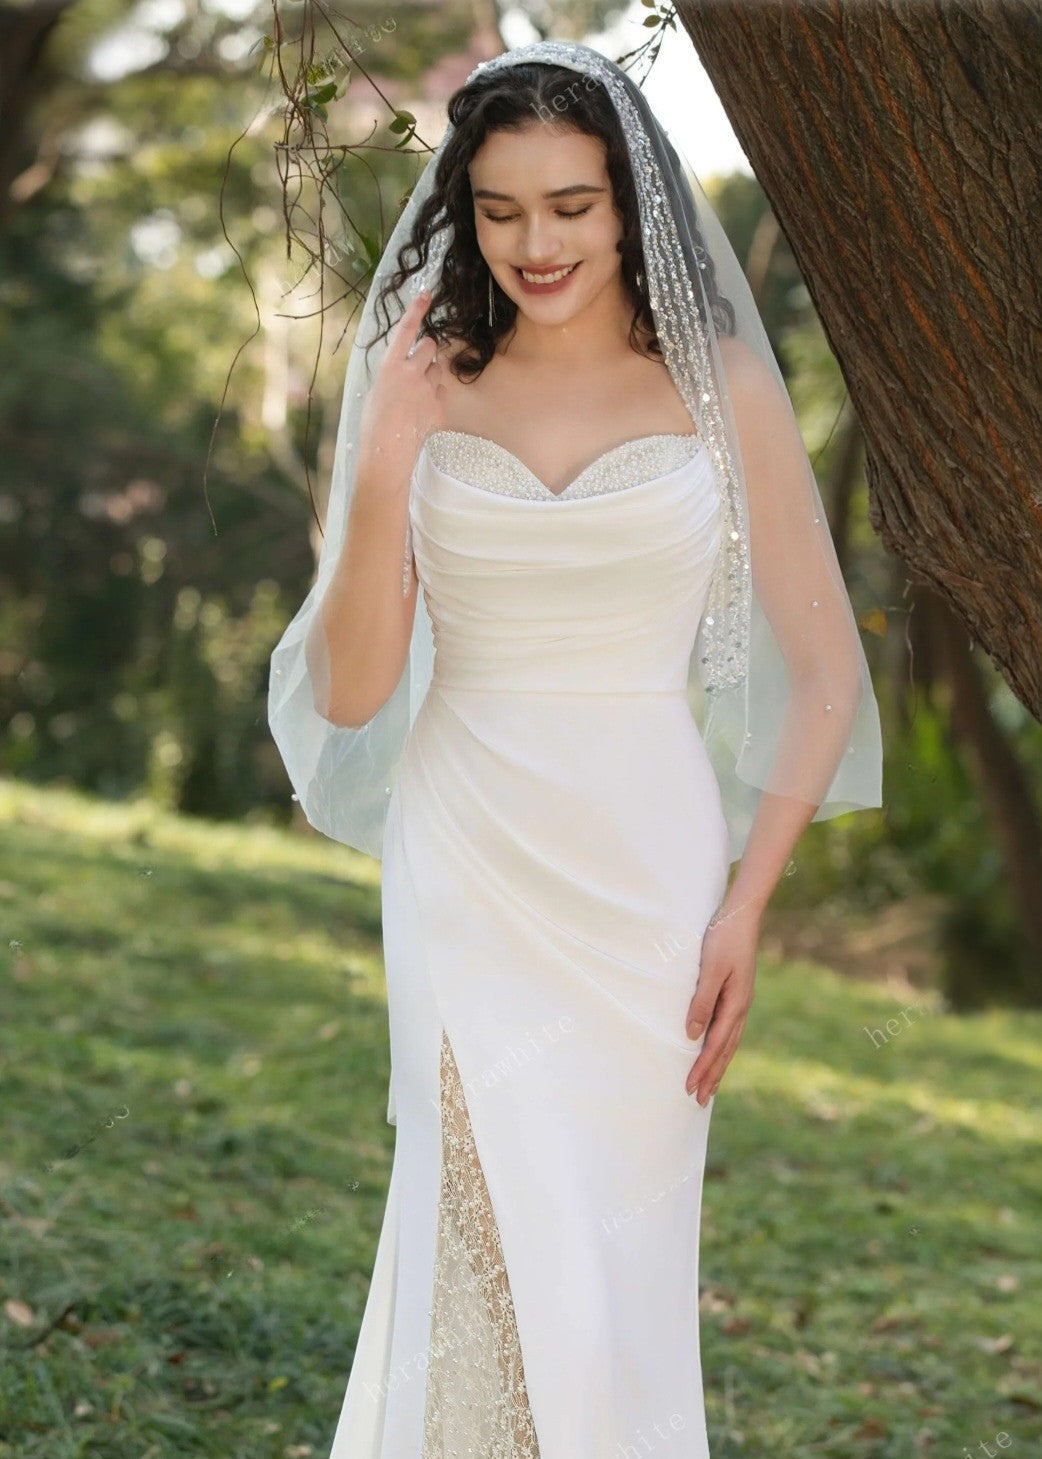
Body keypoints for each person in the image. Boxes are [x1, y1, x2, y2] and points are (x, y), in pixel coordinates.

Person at [268, 39, 883, 1459]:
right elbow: (356, 692)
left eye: (568, 206)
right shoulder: (422, 378)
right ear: (462, 212)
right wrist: (386, 452)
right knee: (471, 1213)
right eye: (498, 210)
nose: (534, 243)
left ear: (627, 203)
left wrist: (743, 906)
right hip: (465, 846)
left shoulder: (719, 384)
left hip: (649, 875)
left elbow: (825, 676)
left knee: (610, 1259)